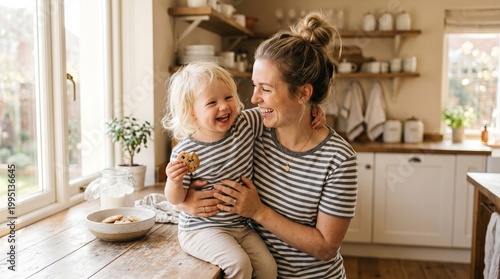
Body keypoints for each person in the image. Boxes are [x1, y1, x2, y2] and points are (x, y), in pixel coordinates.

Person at [177, 12, 358, 278]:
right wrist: (186, 204)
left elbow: (326, 247)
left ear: (304, 93)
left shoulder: (339, 159)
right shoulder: (250, 127)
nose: (254, 98)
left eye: (266, 88)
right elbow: (195, 141)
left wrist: (258, 211)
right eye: (254, 86)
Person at [162, 61, 278, 279]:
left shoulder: (244, 124)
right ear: (192, 113)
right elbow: (175, 199)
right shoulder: (185, 151)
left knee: (268, 269)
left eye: (228, 97)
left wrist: (313, 110)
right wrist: (174, 181)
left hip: (240, 225)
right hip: (201, 230)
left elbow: (272, 109)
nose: (224, 106)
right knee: (239, 265)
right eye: (211, 102)